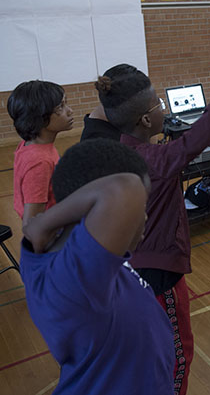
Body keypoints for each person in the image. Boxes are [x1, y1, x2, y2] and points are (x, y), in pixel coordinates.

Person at [95, 34, 210, 395]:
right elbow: (194, 140)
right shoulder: (155, 161)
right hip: (159, 278)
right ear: (146, 119)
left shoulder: (117, 151)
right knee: (178, 354)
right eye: (159, 102)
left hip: (130, 274)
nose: (163, 106)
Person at [20, 138, 175, 395]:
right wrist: (45, 220)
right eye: (140, 207)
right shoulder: (73, 279)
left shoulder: (69, 257)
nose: (143, 216)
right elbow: (124, 188)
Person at [8, 80, 74, 224]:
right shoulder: (39, 161)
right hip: (54, 235)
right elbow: (31, 223)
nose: (70, 111)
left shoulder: (31, 144)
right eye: (60, 107)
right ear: (39, 117)